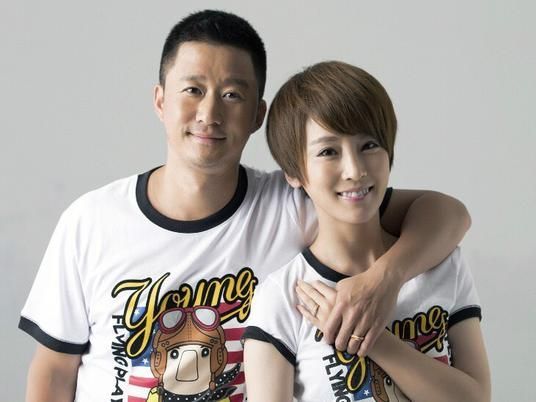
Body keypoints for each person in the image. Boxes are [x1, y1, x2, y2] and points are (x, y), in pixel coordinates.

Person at [19, 10, 471, 402]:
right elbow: (54, 371)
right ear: (160, 100)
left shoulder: (293, 203)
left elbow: (448, 214)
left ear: (258, 114)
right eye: (192, 89)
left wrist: (384, 279)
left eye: (232, 94)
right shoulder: (91, 221)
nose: (209, 113)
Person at [242, 61, 491, 402]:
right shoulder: (285, 296)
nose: (355, 170)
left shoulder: (443, 263)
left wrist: (372, 338)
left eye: (369, 145)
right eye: (328, 152)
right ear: (294, 173)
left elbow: (476, 398)